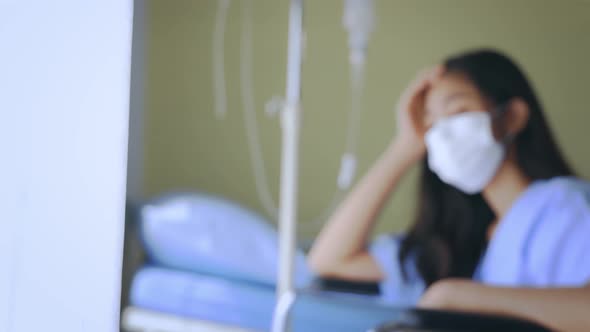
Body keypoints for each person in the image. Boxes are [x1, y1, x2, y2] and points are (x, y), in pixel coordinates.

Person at [307, 49, 590, 332]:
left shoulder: (561, 206)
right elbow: (330, 260)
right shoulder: (460, 238)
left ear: (512, 117)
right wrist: (406, 145)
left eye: (458, 112)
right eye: (432, 124)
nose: (442, 134)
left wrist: (460, 298)